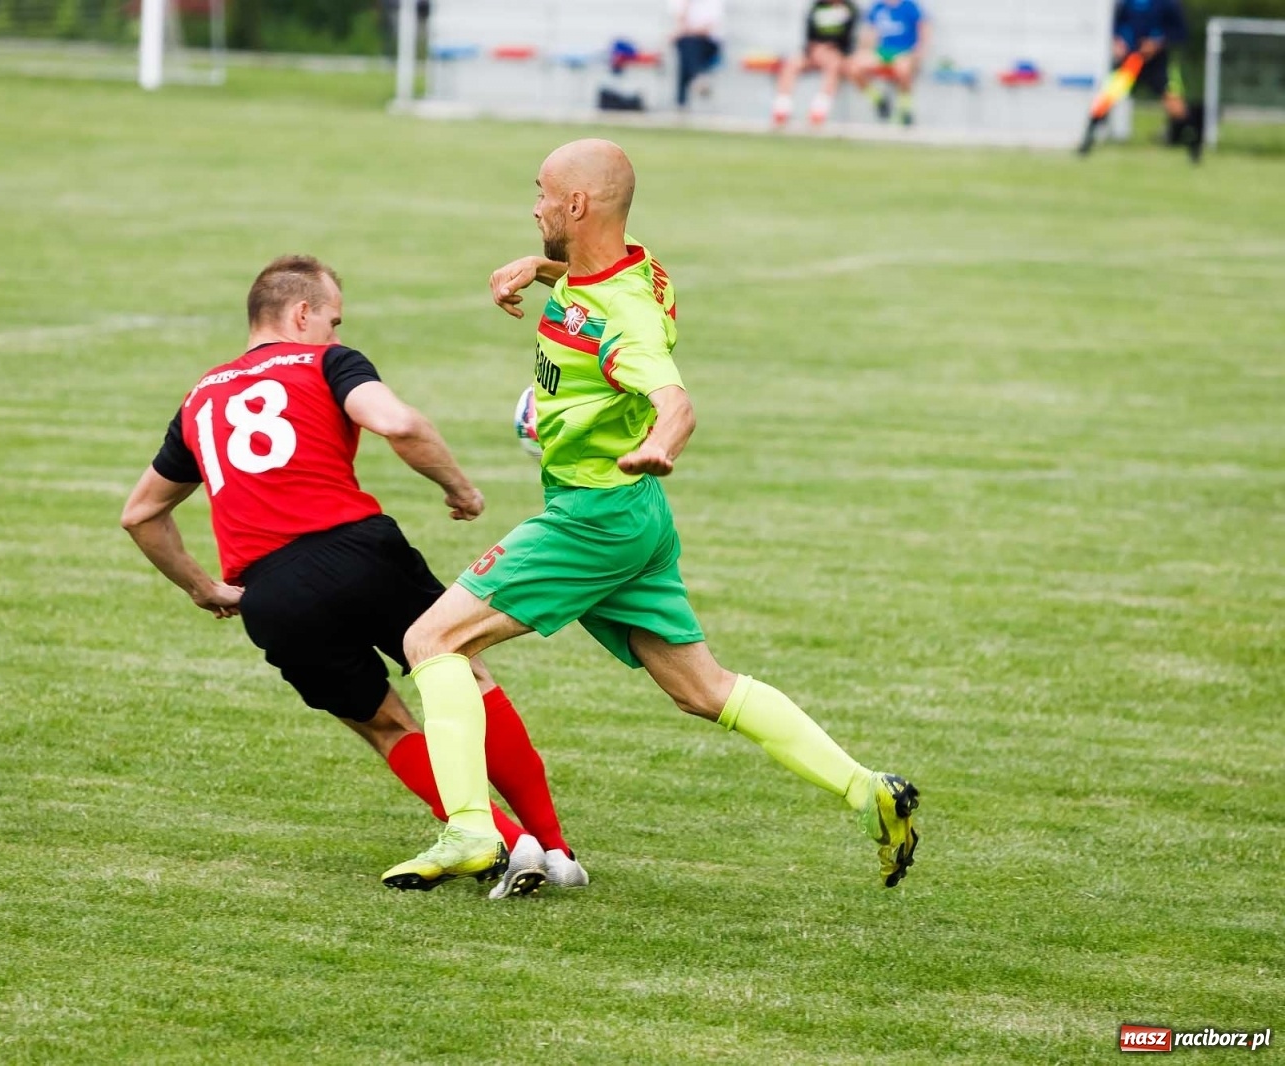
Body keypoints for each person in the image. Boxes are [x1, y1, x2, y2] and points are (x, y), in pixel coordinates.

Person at [380, 140, 922, 894]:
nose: (533, 206)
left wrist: (660, 445)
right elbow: (599, 289)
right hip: (633, 518)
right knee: (702, 689)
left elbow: (675, 399)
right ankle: (870, 790)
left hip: (594, 517)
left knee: (430, 639)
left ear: (576, 206)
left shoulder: (623, 316)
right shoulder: (633, 265)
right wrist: (539, 269)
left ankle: (472, 827)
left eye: (540, 194)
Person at [120, 255, 587, 899]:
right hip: (360, 553)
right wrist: (460, 487)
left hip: (273, 594)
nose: (336, 334)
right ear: (301, 313)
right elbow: (398, 422)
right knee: (461, 670)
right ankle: (554, 847)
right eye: (332, 320)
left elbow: (141, 513)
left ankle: (508, 844)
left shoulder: (199, 400)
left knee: (387, 725)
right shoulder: (326, 362)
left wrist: (203, 587)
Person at [1079, 0, 1202, 161]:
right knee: (1106, 98)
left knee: (1174, 103)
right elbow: (1116, 24)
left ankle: (1194, 145)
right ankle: (1086, 142)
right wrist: (1118, 42)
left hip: (1157, 62)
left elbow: (1179, 32)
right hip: (1131, 59)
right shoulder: (1128, 3)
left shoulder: (1168, 4)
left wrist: (1157, 44)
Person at [773, 0, 860, 128]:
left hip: (835, 53)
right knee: (791, 64)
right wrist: (814, 50)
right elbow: (809, 34)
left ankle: (819, 112)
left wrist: (832, 49)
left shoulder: (850, 8)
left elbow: (849, 39)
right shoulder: (817, 6)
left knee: (833, 65)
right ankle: (782, 110)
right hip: (813, 52)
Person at [849, 0, 930, 126]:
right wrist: (864, 49)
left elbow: (923, 28)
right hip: (882, 53)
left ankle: (905, 110)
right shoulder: (878, 7)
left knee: (903, 68)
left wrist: (919, 52)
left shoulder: (909, 6)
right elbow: (869, 33)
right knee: (854, 66)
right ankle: (879, 101)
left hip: (904, 52)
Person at [669, 0, 725, 108]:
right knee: (686, 45)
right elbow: (680, 23)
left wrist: (685, 32)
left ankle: (681, 101)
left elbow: (707, 29)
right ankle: (697, 77)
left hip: (708, 44)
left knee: (687, 45)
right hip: (687, 43)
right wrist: (686, 5)